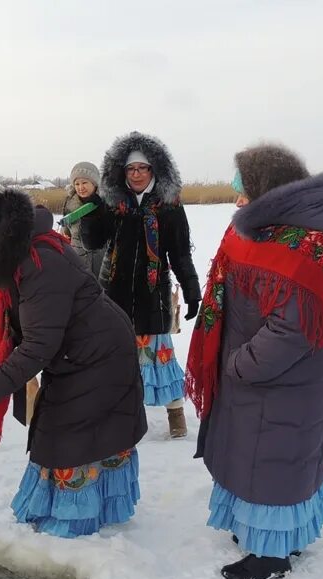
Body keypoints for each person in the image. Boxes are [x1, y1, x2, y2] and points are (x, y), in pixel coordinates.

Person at [185, 144, 323, 579]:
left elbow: (291, 328)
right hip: (277, 372)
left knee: (272, 461)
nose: (238, 200)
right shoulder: (271, 229)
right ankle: (274, 537)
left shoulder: (308, 242)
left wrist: (241, 364)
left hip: (282, 375)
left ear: (268, 190)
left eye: (244, 190)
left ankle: (271, 556)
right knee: (264, 458)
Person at [0, 189, 147, 537]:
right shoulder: (25, 253)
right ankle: (79, 507)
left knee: (67, 434)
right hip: (82, 348)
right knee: (64, 429)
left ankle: (74, 519)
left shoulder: (38, 263)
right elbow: (34, 323)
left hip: (96, 354)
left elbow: (40, 344)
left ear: (0, 235)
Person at [80, 131, 202, 439]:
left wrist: (191, 291)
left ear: (154, 170)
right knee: (115, 358)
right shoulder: (112, 203)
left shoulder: (169, 206)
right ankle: (118, 414)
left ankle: (175, 412)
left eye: (142, 168)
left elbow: (180, 253)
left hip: (153, 294)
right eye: (131, 169)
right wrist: (92, 210)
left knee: (159, 357)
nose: (136, 174)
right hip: (114, 293)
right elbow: (92, 242)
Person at [60, 161, 104, 278]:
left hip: (102, 265)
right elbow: (66, 234)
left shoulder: (107, 202)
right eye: (77, 184)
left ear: (94, 184)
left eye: (84, 182)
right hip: (77, 264)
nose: (80, 187)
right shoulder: (69, 204)